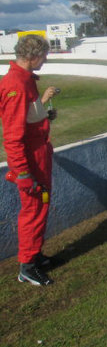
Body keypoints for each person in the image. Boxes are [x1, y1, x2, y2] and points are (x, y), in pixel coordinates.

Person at [0, 35, 59, 286]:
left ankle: (33, 255)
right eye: (44, 55)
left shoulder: (25, 80)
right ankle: (27, 265)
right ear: (33, 55)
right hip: (30, 161)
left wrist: (44, 116)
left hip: (38, 155)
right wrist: (23, 174)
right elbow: (13, 136)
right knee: (33, 210)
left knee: (40, 207)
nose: (45, 60)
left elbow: (28, 120)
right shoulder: (16, 84)